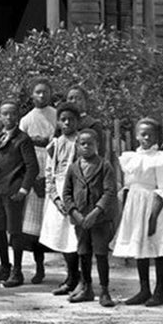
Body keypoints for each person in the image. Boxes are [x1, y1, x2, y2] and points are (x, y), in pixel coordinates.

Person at [112, 117, 163, 304]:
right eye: (143, 134)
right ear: (136, 136)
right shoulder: (131, 158)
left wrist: (152, 218)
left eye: (151, 135)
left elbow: (162, 189)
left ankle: (160, 291)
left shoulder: (161, 158)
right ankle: (144, 289)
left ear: (158, 137)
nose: (146, 138)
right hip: (135, 207)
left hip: (154, 206)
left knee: (159, 248)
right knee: (140, 248)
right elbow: (129, 185)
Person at [0, 100, 41, 282]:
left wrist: (23, 189)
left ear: (18, 117)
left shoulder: (22, 139)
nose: (9, 117)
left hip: (13, 191)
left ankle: (17, 271)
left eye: (12, 114)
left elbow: (32, 167)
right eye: (5, 114)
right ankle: (5, 268)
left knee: (14, 231)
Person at [60, 128, 118, 305]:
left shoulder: (104, 165)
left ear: (97, 146)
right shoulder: (73, 168)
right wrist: (75, 213)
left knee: (100, 253)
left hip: (100, 220)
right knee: (83, 253)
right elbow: (67, 193)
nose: (86, 147)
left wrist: (96, 212)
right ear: (77, 146)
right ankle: (86, 287)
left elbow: (109, 192)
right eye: (82, 144)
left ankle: (105, 291)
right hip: (80, 220)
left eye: (90, 144)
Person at [15, 80, 59, 282]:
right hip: (33, 170)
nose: (41, 96)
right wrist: (33, 180)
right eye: (38, 92)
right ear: (31, 95)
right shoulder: (26, 120)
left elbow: (59, 143)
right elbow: (21, 152)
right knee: (33, 227)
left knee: (54, 221)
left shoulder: (56, 115)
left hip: (53, 168)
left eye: (45, 92)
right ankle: (38, 267)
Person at [35, 100, 83, 278]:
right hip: (58, 194)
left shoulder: (80, 143)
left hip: (75, 193)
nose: (67, 123)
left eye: (71, 119)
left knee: (74, 238)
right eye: (63, 119)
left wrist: (73, 199)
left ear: (77, 121)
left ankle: (77, 276)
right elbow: (50, 173)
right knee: (61, 236)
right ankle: (70, 275)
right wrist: (55, 198)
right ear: (58, 122)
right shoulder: (54, 144)